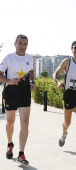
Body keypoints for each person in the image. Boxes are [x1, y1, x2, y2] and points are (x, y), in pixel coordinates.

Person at [0, 34, 35, 165]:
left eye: (25, 44)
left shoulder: (30, 58)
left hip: (24, 94)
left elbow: (31, 72)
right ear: (15, 44)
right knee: (10, 122)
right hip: (10, 93)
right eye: (20, 43)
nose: (22, 46)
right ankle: (10, 144)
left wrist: (32, 82)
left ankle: (21, 153)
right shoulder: (9, 58)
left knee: (25, 123)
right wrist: (9, 80)